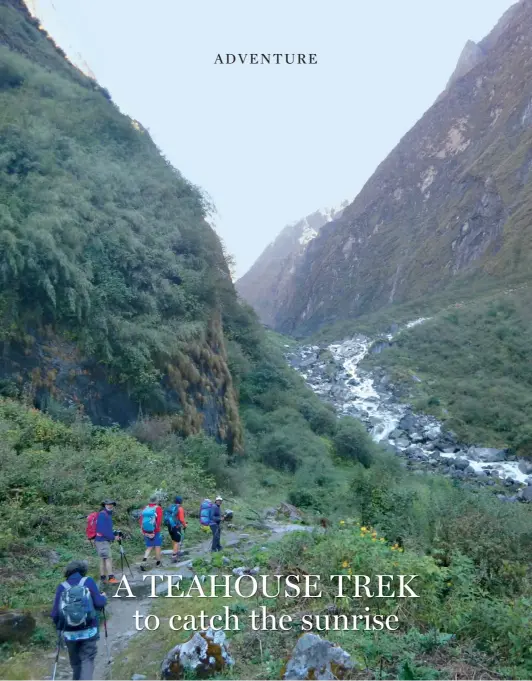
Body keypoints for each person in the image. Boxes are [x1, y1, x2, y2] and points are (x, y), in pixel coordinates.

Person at [51, 559, 107, 681]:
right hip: (89, 630)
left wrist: (60, 629)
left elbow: (55, 614)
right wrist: (104, 598)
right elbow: (98, 603)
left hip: (69, 633)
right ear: (83, 570)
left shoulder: (62, 587)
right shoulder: (88, 582)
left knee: (76, 664)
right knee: (87, 659)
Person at [94, 500, 118, 585]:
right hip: (102, 540)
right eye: (108, 504)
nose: (110, 506)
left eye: (111, 504)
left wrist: (113, 533)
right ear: (104, 505)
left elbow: (107, 528)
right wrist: (113, 537)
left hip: (101, 540)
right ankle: (111, 578)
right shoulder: (103, 515)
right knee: (108, 558)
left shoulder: (106, 514)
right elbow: (102, 530)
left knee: (103, 559)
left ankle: (103, 578)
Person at [140, 494, 163, 567]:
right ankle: (158, 562)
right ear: (156, 501)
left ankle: (143, 562)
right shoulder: (158, 508)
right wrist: (155, 531)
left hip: (146, 530)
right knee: (157, 546)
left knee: (149, 546)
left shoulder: (145, 508)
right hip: (155, 531)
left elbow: (141, 520)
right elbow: (158, 521)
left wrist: (144, 531)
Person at [165, 495, 187, 561]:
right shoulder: (180, 508)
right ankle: (174, 556)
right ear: (181, 501)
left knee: (174, 540)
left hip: (169, 526)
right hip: (176, 527)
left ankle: (176, 552)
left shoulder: (170, 507)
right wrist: (185, 525)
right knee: (177, 541)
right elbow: (182, 519)